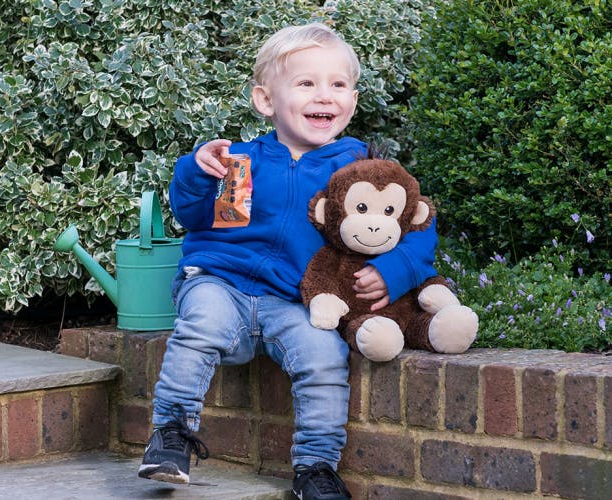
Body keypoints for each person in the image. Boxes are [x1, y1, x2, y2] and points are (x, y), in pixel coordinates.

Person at [138, 22, 439, 500]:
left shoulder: (364, 172)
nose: (324, 96)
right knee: (201, 324)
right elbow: (193, 215)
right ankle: (170, 435)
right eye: (306, 83)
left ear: (353, 102)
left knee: (324, 358)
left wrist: (395, 271)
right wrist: (195, 170)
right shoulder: (239, 161)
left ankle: (316, 468)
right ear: (265, 100)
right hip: (222, 283)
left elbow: (418, 227)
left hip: (299, 303)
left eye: (337, 85)